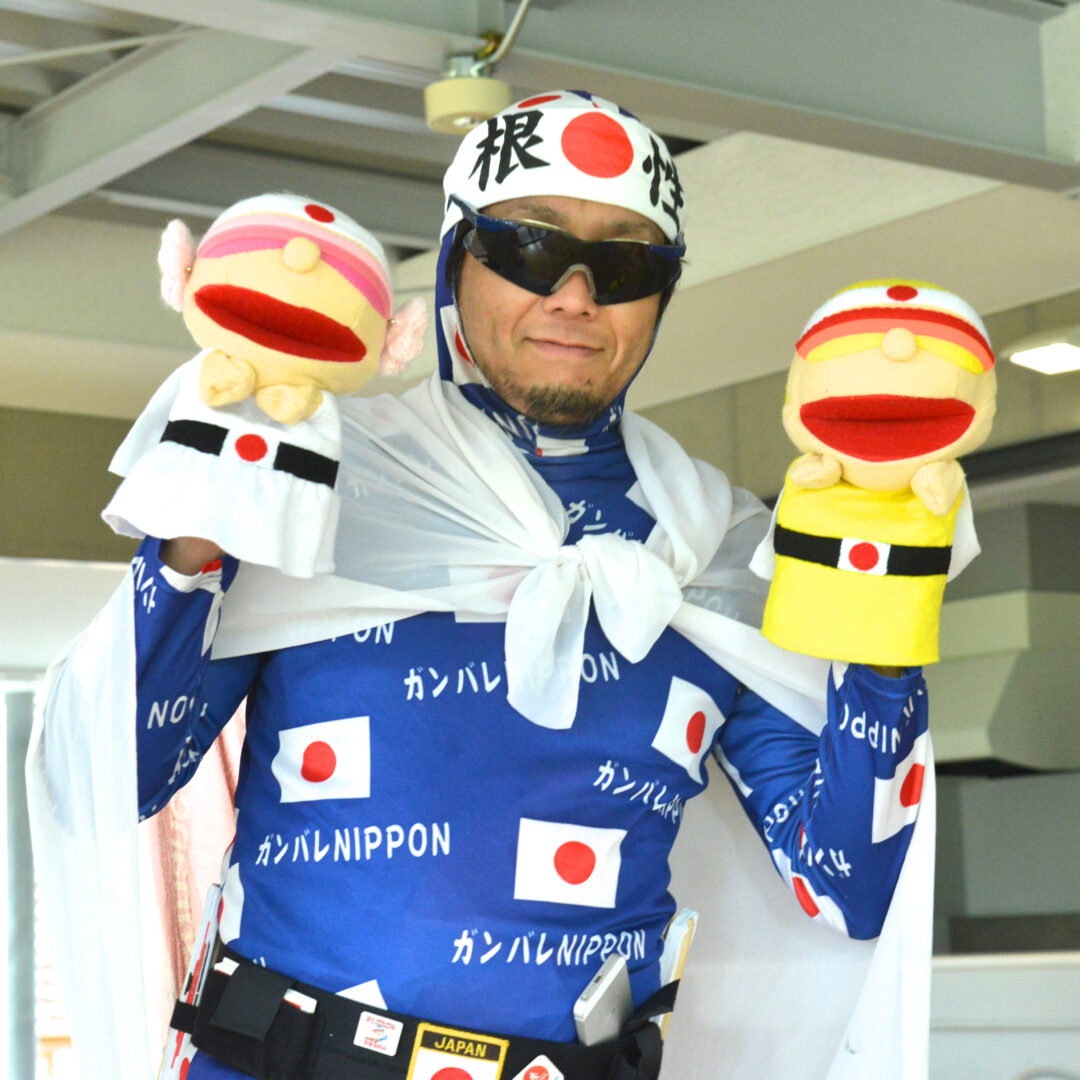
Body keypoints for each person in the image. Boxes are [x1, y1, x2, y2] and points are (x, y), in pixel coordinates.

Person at [33, 91, 932, 1080]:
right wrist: (199, 524)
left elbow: (849, 890)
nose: (576, 296)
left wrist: (886, 610)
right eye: (531, 248)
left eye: (626, 265)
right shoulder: (321, 478)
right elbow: (111, 776)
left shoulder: (717, 548)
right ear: (457, 261)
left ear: (662, 295)